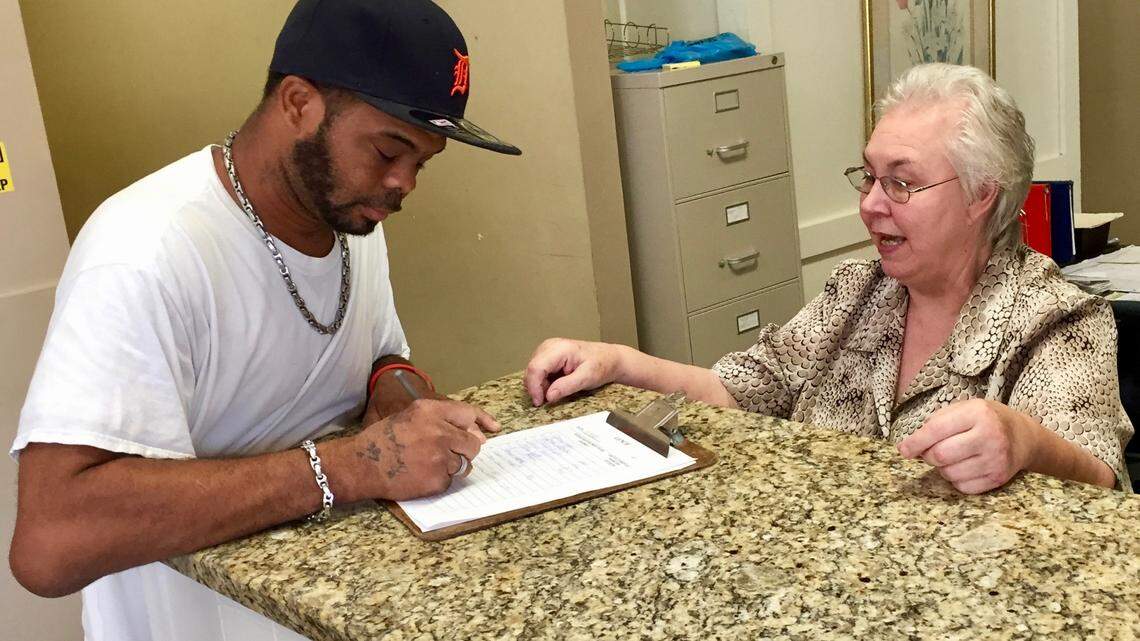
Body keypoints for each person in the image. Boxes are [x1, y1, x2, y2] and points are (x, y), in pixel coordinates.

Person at [9, 0, 521, 637]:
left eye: (422, 162)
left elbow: (379, 358)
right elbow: (50, 543)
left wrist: (408, 402)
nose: (403, 185)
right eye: (389, 150)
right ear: (299, 102)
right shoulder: (146, 253)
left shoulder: (350, 217)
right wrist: (349, 465)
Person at [525, 63, 1132, 494]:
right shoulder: (857, 291)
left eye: (901, 182)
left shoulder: (1057, 319)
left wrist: (1024, 440)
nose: (870, 205)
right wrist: (617, 362)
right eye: (868, 177)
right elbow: (742, 388)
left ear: (980, 197)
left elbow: (1102, 479)